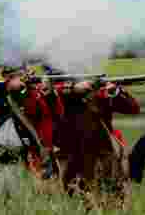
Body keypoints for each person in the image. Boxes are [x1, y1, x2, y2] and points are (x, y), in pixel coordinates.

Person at [0, 66, 59, 205]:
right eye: (11, 76)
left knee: (22, 211)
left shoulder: (32, 96)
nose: (15, 78)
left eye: (18, 75)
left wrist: (41, 91)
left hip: (21, 164)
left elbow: (49, 115)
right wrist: (6, 85)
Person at [43, 73, 139, 207]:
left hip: (102, 156)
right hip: (72, 157)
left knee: (111, 199)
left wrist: (114, 91)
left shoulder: (99, 94)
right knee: (76, 200)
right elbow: (52, 99)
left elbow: (133, 108)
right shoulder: (61, 94)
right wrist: (71, 88)